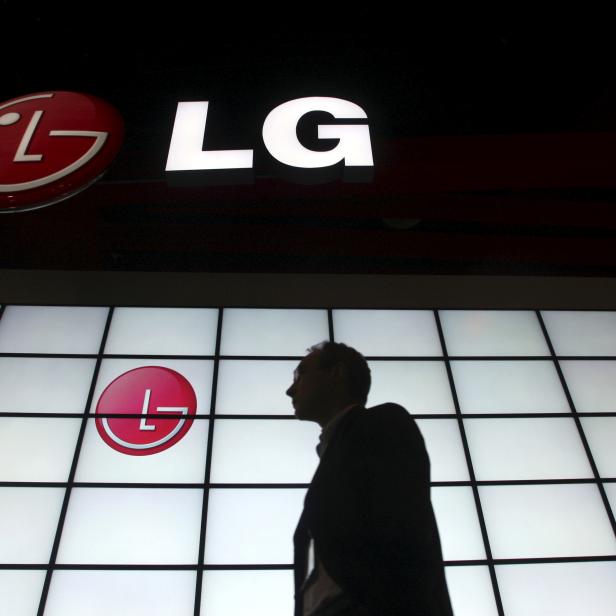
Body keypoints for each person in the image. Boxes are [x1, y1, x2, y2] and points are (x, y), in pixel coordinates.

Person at [286, 341, 453, 616]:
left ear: (337, 374)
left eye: (300, 374)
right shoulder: (336, 456)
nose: (291, 389)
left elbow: (403, 526)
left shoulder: (383, 423)